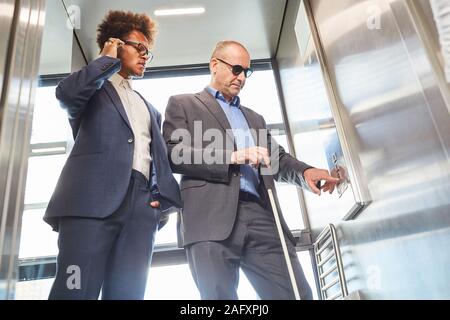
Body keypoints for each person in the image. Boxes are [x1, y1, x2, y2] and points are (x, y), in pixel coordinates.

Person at [163, 40, 339, 300]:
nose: (242, 77)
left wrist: (305, 173)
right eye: (236, 69)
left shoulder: (254, 118)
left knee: (297, 294)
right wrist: (233, 156)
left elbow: (276, 158)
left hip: (260, 214)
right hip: (209, 217)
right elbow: (175, 153)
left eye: (247, 71)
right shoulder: (183, 104)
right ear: (215, 65)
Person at [44, 11, 181, 300]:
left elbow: (159, 159)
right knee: (74, 291)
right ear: (116, 43)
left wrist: (157, 205)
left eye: (149, 52)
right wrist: (106, 59)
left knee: (128, 295)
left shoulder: (150, 109)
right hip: (90, 207)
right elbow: (66, 94)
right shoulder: (93, 89)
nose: (145, 56)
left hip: (141, 209)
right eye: (139, 48)